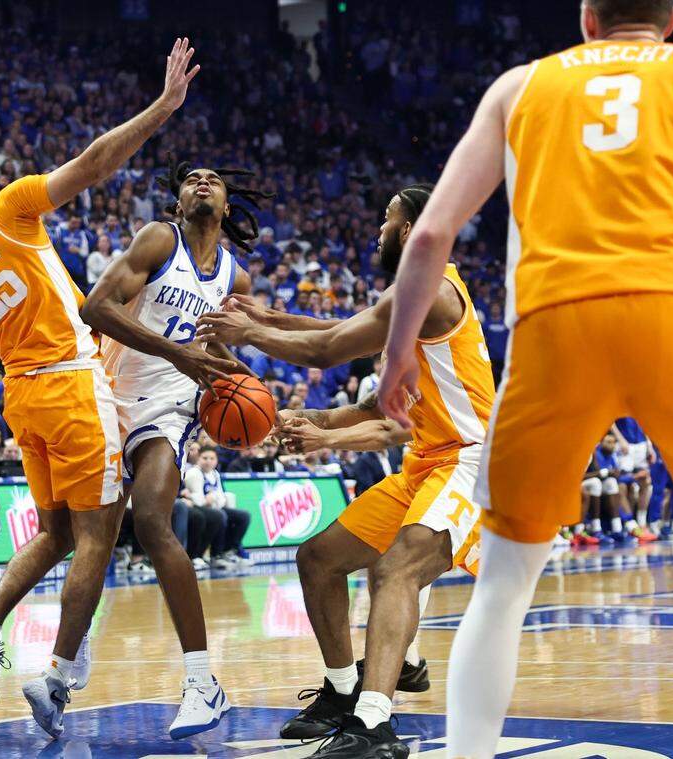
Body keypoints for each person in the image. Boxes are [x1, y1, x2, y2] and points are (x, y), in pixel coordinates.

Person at [374, 4, 673, 757]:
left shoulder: (520, 85)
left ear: (587, 19)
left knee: (506, 583)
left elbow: (433, 232)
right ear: (669, 21)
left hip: (554, 325)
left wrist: (398, 349)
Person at [0, 38, 200, 737]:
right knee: (98, 535)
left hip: (23, 394)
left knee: (52, 532)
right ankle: (55, 674)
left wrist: (5, 340)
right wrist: (162, 108)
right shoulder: (8, 208)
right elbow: (97, 161)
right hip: (74, 386)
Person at [198, 184, 493, 756]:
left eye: (386, 219)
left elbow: (327, 350)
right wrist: (299, 412)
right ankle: (341, 689)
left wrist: (251, 333)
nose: (378, 229)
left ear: (408, 231)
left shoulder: (429, 291)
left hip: (473, 460)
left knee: (395, 571)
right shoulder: (408, 293)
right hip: (426, 462)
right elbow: (364, 391)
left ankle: (376, 725)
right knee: (319, 560)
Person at [81, 157, 267, 736]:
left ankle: (201, 680)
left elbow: (220, 358)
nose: (203, 182)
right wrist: (175, 351)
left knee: (155, 523)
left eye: (213, 178)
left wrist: (256, 402)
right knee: (86, 535)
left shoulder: (235, 280)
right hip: (112, 394)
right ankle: (68, 658)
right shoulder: (159, 241)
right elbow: (96, 306)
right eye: (191, 179)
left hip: (171, 406)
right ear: (178, 204)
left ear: (226, 206)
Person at [182, 447, 252, 568]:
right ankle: (215, 554)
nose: (208, 461)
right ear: (198, 458)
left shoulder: (215, 473)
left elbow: (221, 498)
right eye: (205, 458)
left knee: (243, 516)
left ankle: (229, 550)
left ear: (216, 460)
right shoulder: (194, 473)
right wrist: (211, 499)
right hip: (197, 507)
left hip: (212, 506)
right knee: (220, 516)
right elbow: (199, 501)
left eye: (212, 458)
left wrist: (213, 499)